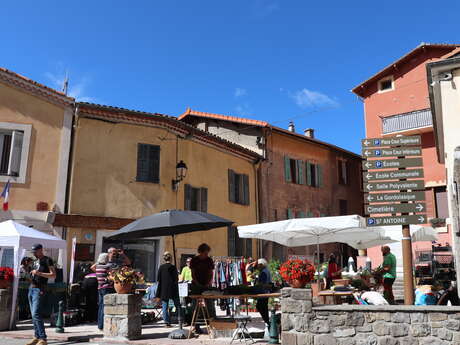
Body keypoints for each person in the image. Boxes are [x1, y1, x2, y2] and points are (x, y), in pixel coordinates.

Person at [27, 244, 56, 345]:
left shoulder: (47, 260)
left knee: (36, 314)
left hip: (40, 289)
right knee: (33, 315)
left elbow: (53, 275)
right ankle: (36, 336)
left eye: (35, 251)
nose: (34, 253)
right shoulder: (35, 261)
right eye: (33, 252)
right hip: (31, 288)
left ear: (40, 250)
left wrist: (39, 273)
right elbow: (33, 275)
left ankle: (43, 339)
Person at [155, 252, 181, 327]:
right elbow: (176, 279)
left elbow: (158, 279)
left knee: (165, 306)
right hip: (173, 288)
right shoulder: (173, 267)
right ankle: (180, 320)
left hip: (164, 289)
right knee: (177, 305)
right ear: (171, 258)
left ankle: (167, 322)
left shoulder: (161, 267)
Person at [190, 243, 215, 319]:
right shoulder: (194, 260)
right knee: (195, 304)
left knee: (210, 303)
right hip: (196, 285)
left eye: (207, 253)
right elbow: (193, 274)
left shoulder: (209, 260)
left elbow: (211, 273)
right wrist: (197, 283)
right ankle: (194, 322)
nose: (206, 255)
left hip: (206, 285)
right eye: (205, 253)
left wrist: (208, 283)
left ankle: (212, 319)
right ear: (200, 252)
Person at [95, 253, 115, 330]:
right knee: (105, 307)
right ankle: (103, 325)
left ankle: (99, 325)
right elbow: (112, 274)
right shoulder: (107, 266)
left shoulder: (98, 267)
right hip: (107, 288)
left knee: (100, 306)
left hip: (100, 288)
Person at [253, 258, 272, 327]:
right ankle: (267, 321)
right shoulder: (266, 271)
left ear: (262, 265)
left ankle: (267, 322)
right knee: (263, 307)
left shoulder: (263, 272)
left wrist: (256, 285)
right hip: (266, 292)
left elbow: (262, 283)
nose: (257, 267)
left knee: (261, 307)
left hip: (263, 293)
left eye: (258, 265)